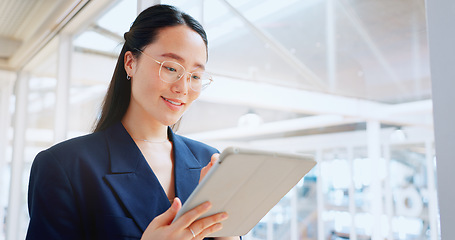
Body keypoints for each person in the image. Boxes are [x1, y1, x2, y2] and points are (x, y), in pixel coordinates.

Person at [26, 4, 240, 240]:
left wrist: (228, 233)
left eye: (195, 76)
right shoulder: (64, 166)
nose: (183, 87)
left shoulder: (208, 162)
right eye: (171, 68)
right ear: (130, 62)